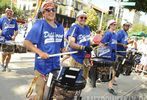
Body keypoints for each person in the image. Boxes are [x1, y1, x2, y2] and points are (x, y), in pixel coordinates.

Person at [24, 1, 65, 100]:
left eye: (53, 9)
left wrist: (63, 49)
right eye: (47, 10)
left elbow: (61, 47)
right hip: (42, 67)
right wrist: (40, 52)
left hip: (55, 67)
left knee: (51, 95)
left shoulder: (60, 28)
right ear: (43, 13)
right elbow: (26, 43)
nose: (51, 12)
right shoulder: (40, 24)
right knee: (40, 95)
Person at [66, 10, 92, 79]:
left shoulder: (87, 28)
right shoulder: (74, 28)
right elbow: (71, 43)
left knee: (83, 81)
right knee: (73, 82)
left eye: (85, 18)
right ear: (77, 18)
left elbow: (87, 42)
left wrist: (91, 47)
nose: (83, 19)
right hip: (76, 59)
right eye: (81, 17)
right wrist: (83, 47)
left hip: (85, 59)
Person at [100, 19, 117, 95]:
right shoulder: (108, 34)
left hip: (113, 56)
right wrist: (105, 52)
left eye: (115, 24)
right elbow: (101, 44)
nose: (114, 25)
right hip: (107, 56)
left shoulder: (114, 34)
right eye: (113, 24)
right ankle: (110, 88)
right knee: (112, 72)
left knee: (110, 71)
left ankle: (97, 79)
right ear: (109, 25)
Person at [0, 8, 18, 72]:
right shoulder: (2, 19)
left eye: (10, 13)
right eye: (8, 13)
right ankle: (2, 64)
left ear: (12, 14)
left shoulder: (14, 21)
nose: (9, 14)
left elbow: (16, 30)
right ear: (5, 13)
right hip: (3, 39)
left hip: (11, 40)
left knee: (9, 54)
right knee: (4, 53)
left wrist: (14, 36)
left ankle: (6, 66)